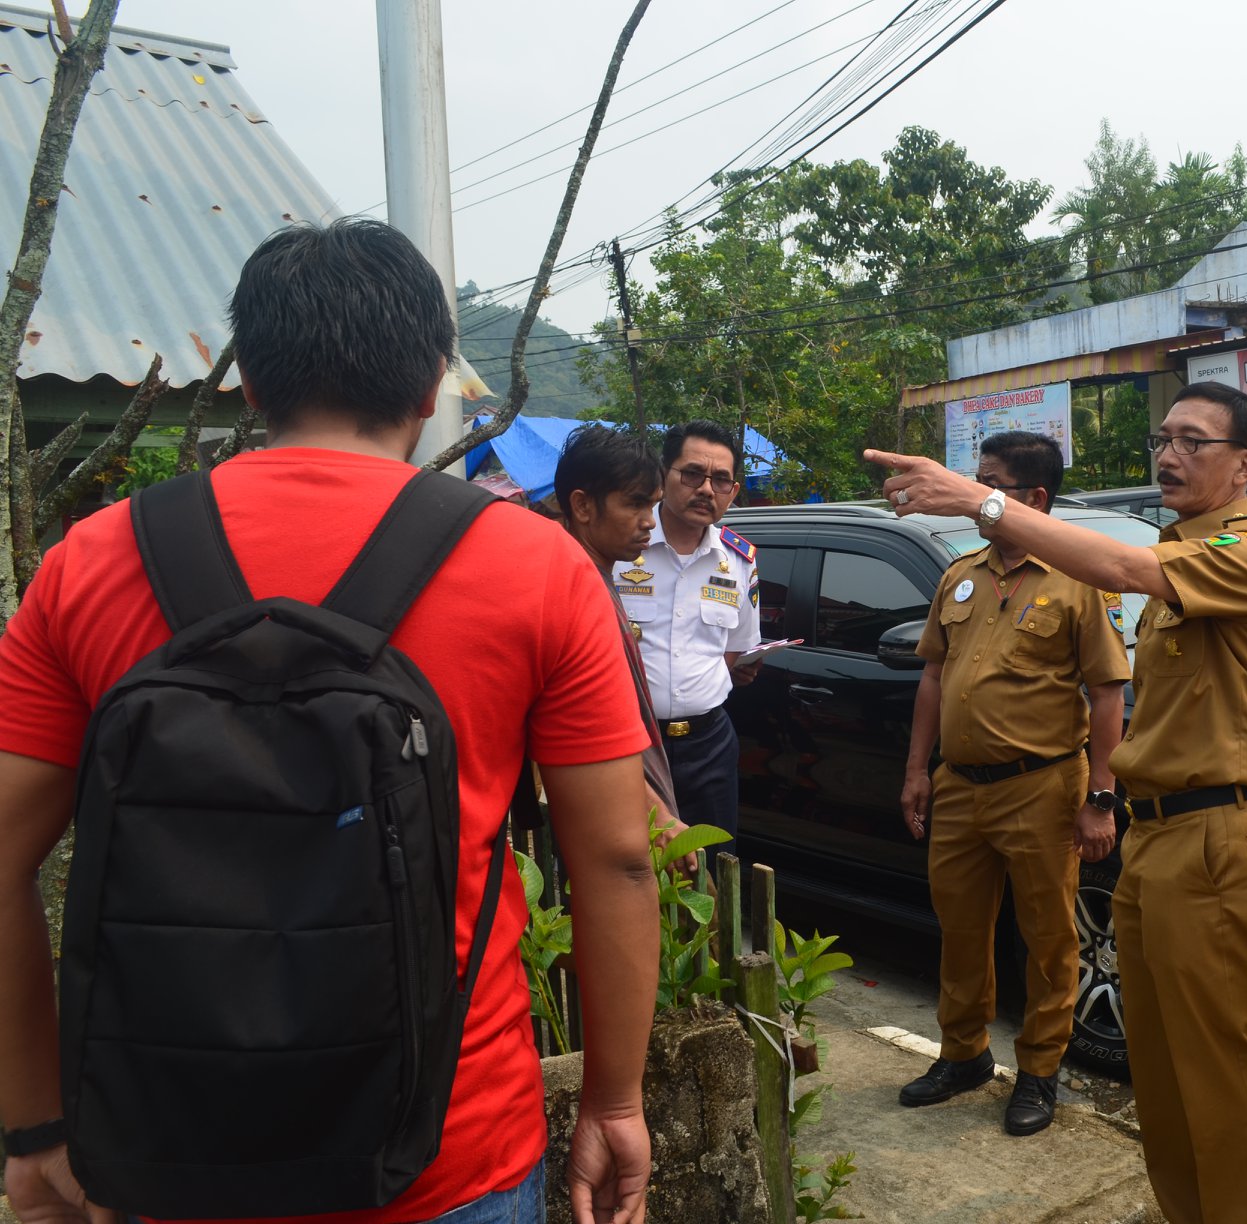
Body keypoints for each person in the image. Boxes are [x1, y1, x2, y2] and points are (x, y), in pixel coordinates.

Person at [0, 220, 657, 1222]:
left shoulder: (91, 560)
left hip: (169, 1147)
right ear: (434, 380)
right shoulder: (537, 570)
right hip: (449, 1152)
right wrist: (613, 1100)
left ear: (251, 381)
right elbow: (617, 859)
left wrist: (36, 1126)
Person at [867, 379, 1247, 1224]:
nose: (1170, 455)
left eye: (1194, 442)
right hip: (1162, 835)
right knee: (1166, 1069)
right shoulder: (1182, 548)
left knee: (1224, 1068)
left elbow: (1120, 569)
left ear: (1245, 465)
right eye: (1164, 440)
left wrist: (975, 497)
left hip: (1220, 836)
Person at [895, 431, 1130, 1137]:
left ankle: (1038, 1072)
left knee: (1049, 938)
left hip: (1043, 788)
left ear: (1032, 498)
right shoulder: (959, 574)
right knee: (960, 930)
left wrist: (1100, 798)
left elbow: (1107, 695)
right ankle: (963, 1054)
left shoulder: (1080, 579)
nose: (976, 493)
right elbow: (934, 677)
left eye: (988, 481)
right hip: (960, 786)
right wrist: (917, 769)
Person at [627, 419, 761, 836]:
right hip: (630, 743)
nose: (706, 489)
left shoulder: (738, 561)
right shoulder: (621, 544)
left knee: (712, 872)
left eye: (721, 480)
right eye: (692, 474)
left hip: (709, 745)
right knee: (631, 868)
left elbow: (736, 649)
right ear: (663, 477)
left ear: (733, 493)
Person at [553, 423, 686, 840]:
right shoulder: (568, 590)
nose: (649, 522)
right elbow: (583, 728)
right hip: (615, 821)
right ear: (583, 506)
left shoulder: (595, 578)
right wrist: (657, 814)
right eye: (634, 505)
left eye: (653, 506)